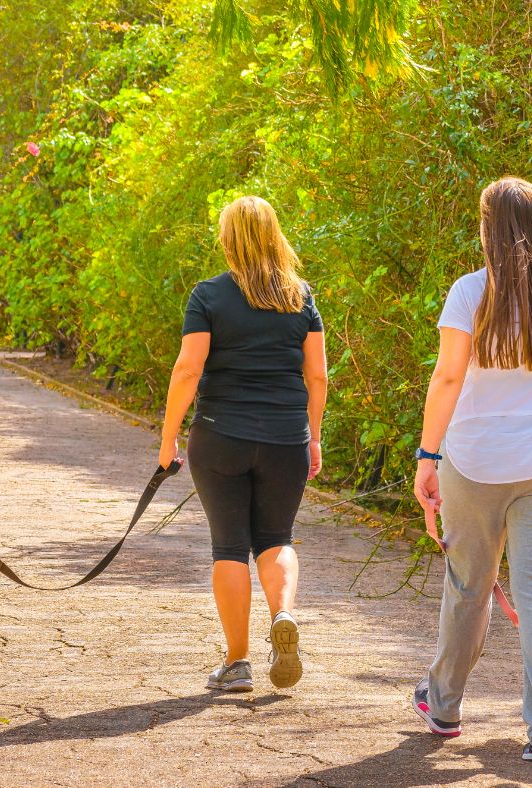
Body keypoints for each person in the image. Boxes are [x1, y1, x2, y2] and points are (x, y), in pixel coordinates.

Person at [411, 177, 532, 762]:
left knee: (469, 584)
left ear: (488, 230)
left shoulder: (471, 292)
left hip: (475, 464)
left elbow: (448, 378)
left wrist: (428, 455)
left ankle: (443, 707)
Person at [157, 196, 327, 692]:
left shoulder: (208, 295)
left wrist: (168, 438)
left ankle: (237, 664)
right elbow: (316, 375)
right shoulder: (302, 296)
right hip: (285, 438)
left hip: (221, 436)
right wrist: (313, 436)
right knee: (277, 539)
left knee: (229, 546)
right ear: (276, 236)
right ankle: (284, 615)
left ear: (228, 240)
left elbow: (189, 369)